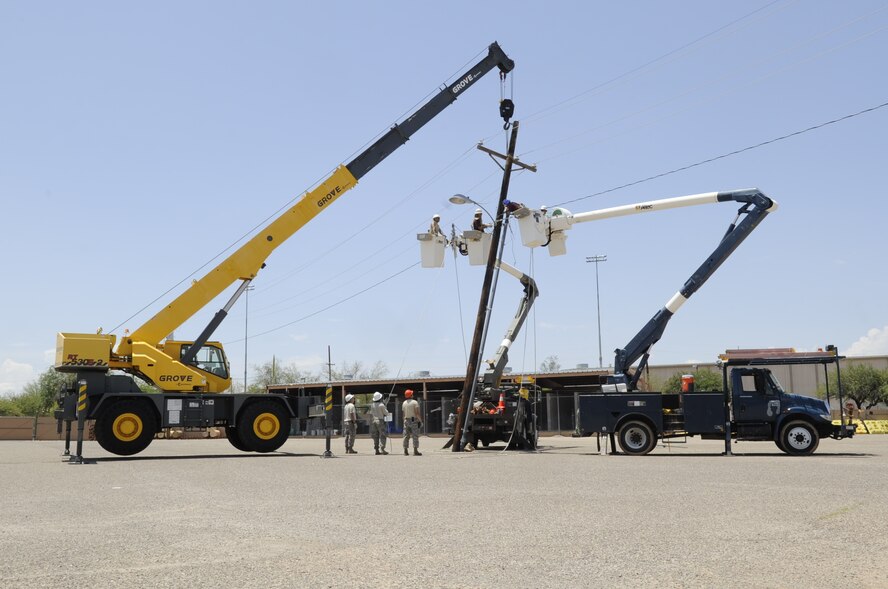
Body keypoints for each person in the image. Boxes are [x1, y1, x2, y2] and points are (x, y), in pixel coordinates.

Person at [401, 389, 422, 456]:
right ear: (411, 395)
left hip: (406, 420)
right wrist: (420, 421)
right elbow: (417, 413)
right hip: (414, 420)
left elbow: (403, 414)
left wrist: (404, 420)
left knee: (405, 436)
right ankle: (415, 451)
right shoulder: (415, 402)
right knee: (415, 435)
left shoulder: (404, 403)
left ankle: (405, 450)